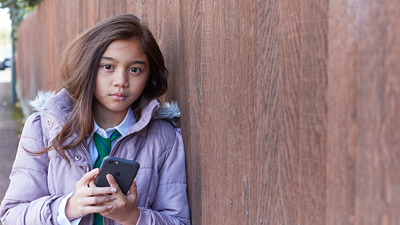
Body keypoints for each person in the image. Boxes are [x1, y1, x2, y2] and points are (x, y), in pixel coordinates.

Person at [0, 14, 190, 225]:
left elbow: (178, 220)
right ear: (88, 67)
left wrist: (134, 217)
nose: (121, 81)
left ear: (149, 77)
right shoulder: (43, 128)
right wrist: (69, 207)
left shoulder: (164, 138)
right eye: (108, 66)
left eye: (135, 70)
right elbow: (11, 217)